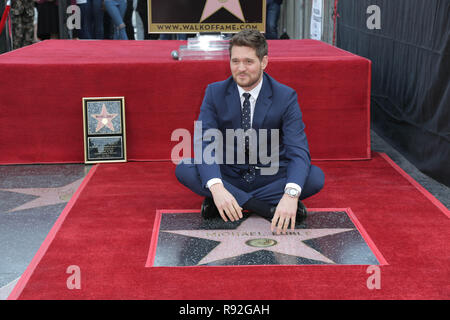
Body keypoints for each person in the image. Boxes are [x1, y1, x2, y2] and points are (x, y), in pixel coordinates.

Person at [175, 30, 324, 235]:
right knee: (185, 168)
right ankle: (264, 208)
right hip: (229, 174)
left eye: (248, 61)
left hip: (269, 177)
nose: (241, 68)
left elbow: (298, 150)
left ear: (264, 62)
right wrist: (218, 188)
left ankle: (228, 203)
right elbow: (205, 143)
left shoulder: (285, 96)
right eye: (235, 61)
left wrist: (290, 195)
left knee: (314, 177)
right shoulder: (214, 92)